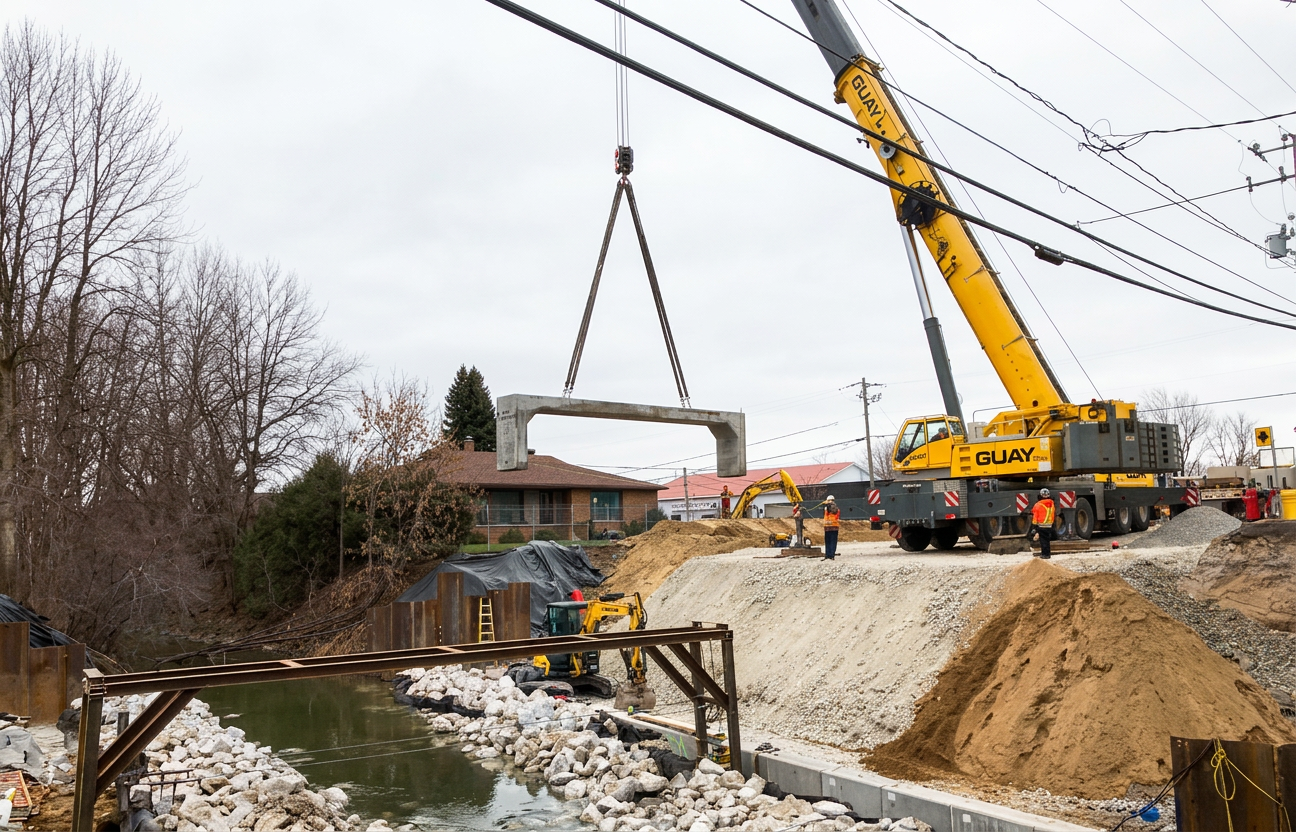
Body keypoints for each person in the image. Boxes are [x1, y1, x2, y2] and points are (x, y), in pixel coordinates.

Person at [1028, 488, 1056, 559]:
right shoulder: (1051, 504)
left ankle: (1045, 554)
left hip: (1041, 525)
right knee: (1047, 540)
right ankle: (1048, 554)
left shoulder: (1038, 505)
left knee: (1043, 541)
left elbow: (1035, 517)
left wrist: (1034, 527)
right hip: (1049, 525)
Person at [822, 495, 841, 560]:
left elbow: (826, 514)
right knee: (833, 541)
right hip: (835, 526)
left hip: (827, 527)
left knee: (828, 541)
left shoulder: (826, 508)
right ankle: (832, 555)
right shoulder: (837, 508)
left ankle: (827, 554)